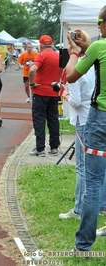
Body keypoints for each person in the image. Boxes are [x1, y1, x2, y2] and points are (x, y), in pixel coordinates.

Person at [65, 6, 106, 252]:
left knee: (93, 182)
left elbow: (70, 76)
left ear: (103, 23)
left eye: (99, 23)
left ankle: (83, 246)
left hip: (100, 117)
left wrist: (74, 52)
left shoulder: (98, 47)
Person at [58, 31, 106, 219]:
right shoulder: (96, 61)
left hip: (84, 120)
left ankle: (79, 208)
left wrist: (64, 94)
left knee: (83, 168)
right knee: (100, 166)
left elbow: (76, 100)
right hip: (97, 116)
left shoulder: (77, 66)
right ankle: (101, 205)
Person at [27, 35, 60, 157]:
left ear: (40, 45)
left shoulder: (41, 55)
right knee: (53, 119)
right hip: (54, 91)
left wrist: (31, 83)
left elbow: (32, 70)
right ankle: (54, 147)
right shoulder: (58, 56)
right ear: (51, 44)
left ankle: (40, 148)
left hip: (40, 91)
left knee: (39, 119)